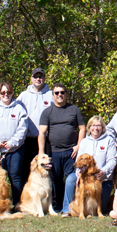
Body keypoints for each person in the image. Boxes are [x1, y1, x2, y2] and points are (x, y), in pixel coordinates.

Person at [38, 83, 85, 214]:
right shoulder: (47, 112)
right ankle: (58, 205)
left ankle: (69, 206)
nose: (60, 95)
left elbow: (82, 128)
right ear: (53, 95)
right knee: (57, 180)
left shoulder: (74, 110)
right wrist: (41, 152)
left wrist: (79, 145)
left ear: (66, 94)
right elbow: (42, 133)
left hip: (72, 151)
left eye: (62, 92)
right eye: (57, 93)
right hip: (54, 152)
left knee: (71, 179)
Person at [0, 82, 28, 206]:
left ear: (12, 93)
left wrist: (12, 143)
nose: (5, 95)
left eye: (8, 92)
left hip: (15, 149)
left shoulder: (19, 108)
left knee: (16, 177)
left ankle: (17, 204)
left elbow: (22, 129)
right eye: (3, 92)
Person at [63, 116, 117, 215]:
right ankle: (67, 209)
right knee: (70, 180)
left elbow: (112, 161)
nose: (95, 128)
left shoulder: (109, 140)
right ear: (89, 127)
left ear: (103, 128)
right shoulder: (84, 141)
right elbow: (78, 161)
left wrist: (103, 172)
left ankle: (94, 210)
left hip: (102, 179)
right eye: (93, 125)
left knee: (102, 209)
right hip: (85, 176)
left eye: (98, 126)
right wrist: (78, 174)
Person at [16, 68, 54, 189]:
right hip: (28, 139)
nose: (38, 79)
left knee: (48, 169)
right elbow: (13, 109)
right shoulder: (24, 95)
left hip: (46, 139)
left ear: (44, 78)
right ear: (31, 78)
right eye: (35, 77)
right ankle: (26, 198)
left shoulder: (51, 94)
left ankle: (50, 198)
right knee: (27, 169)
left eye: (40, 76)